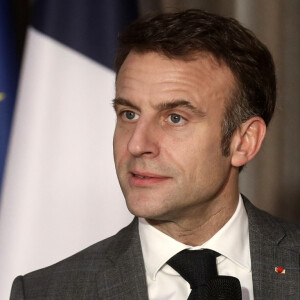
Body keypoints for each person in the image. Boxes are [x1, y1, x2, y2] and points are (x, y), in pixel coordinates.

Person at [10, 9, 300, 300]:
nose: (137, 145)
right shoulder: (44, 292)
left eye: (175, 118)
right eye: (129, 114)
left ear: (243, 142)